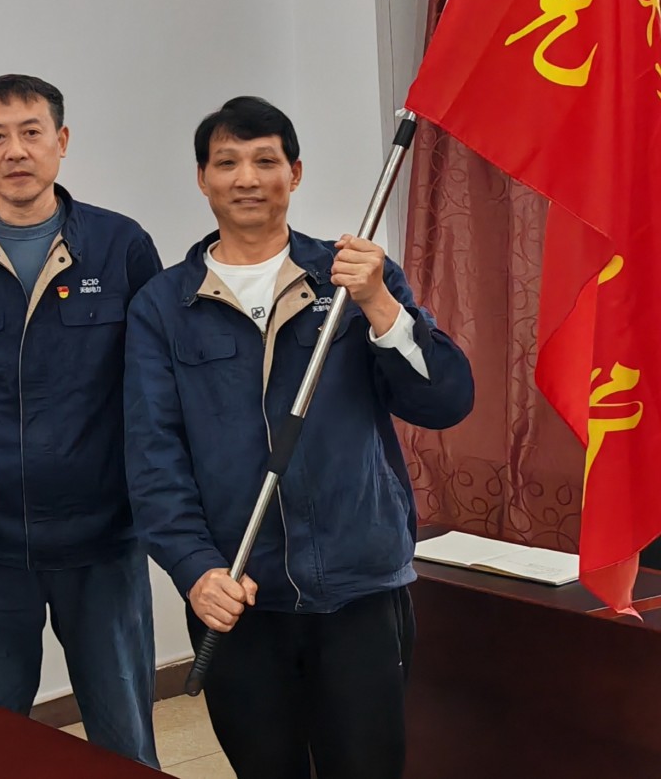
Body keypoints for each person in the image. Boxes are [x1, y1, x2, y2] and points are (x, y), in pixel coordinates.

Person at [124, 96, 475, 779]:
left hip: (358, 587)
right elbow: (152, 457)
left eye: (266, 161)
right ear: (202, 179)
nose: (247, 178)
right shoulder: (164, 307)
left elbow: (445, 401)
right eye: (227, 163)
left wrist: (380, 305)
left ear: (296, 172)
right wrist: (194, 568)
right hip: (239, 592)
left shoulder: (354, 278)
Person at [0, 74, 163, 765]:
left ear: (62, 140)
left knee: (125, 745)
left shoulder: (121, 246)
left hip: (103, 541)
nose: (15, 151)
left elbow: (153, 390)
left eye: (31, 132)